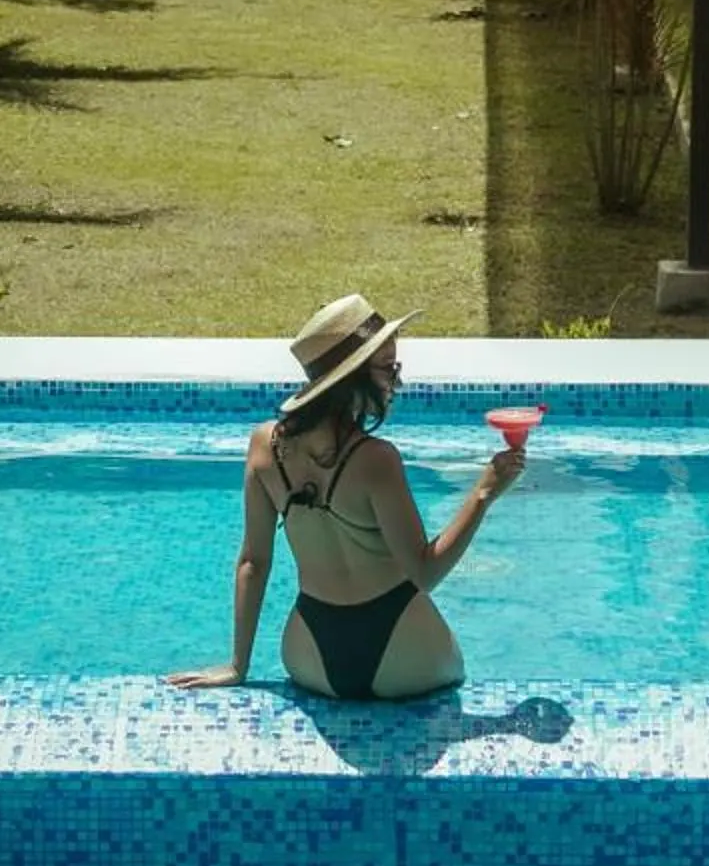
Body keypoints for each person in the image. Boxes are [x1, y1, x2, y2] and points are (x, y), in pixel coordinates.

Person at [168, 294, 523, 700]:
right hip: (404, 650)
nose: (398, 381)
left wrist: (237, 666)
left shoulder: (263, 447)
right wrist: (484, 492)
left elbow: (253, 561)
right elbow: (425, 574)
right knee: (454, 683)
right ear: (351, 378)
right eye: (389, 369)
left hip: (310, 655)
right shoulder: (376, 460)